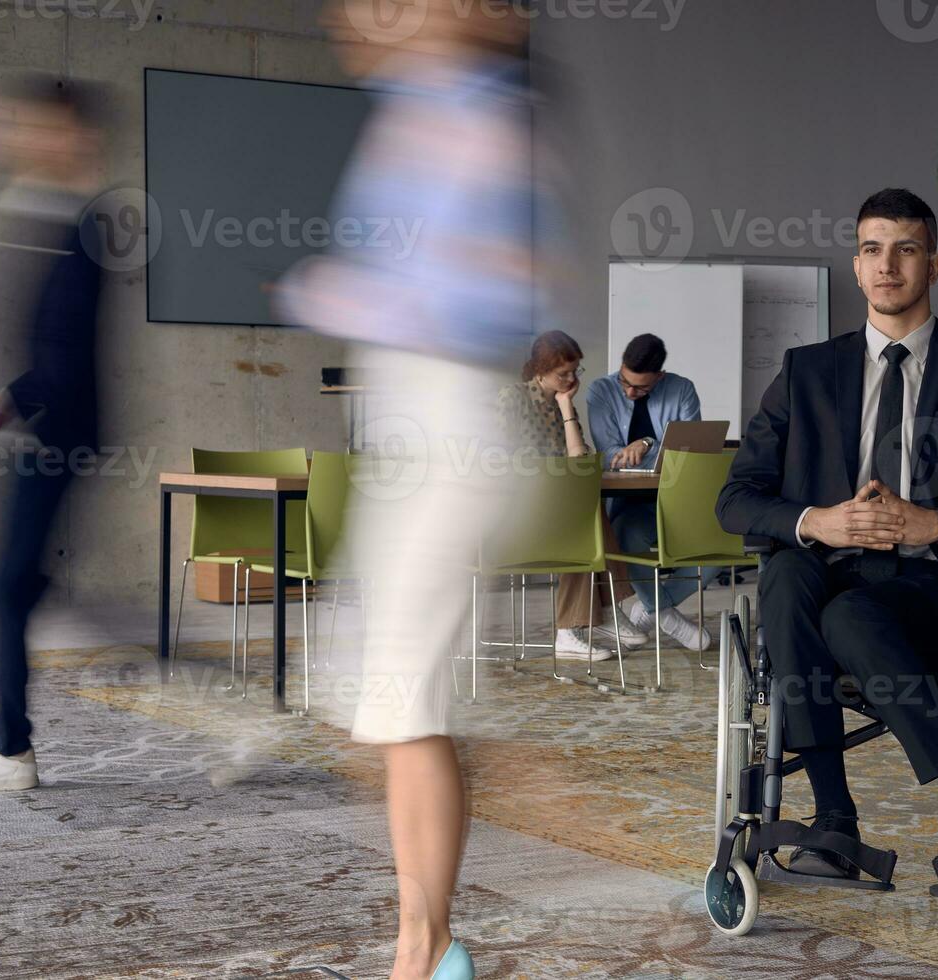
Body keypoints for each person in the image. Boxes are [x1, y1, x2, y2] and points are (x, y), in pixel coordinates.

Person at [277, 2, 537, 976]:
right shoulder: (417, 107)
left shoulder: (479, 117)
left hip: (450, 432)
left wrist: (341, 293)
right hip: (407, 431)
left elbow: (500, 298)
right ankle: (425, 941)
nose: (351, 15)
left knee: (404, 695)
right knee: (395, 704)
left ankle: (421, 952)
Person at [717, 188, 938, 885]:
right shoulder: (806, 371)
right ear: (855, 266)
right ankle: (838, 819)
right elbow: (735, 498)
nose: (888, 265)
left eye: (906, 249)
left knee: (847, 613)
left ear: (932, 265)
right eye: (873, 249)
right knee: (788, 575)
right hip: (828, 576)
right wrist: (815, 520)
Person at [0, 74, 105, 794]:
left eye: (40, 126)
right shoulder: (25, 214)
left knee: (9, 589)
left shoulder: (79, 226)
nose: (21, 137)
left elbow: (65, 355)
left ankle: (10, 746)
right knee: (16, 588)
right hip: (31, 434)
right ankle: (8, 738)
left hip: (54, 434)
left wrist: (5, 400)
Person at [495, 330, 648, 657]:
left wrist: (566, 407)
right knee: (582, 517)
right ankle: (590, 617)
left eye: (574, 372)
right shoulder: (513, 397)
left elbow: (579, 462)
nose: (569, 379)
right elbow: (498, 459)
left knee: (582, 508)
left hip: (555, 509)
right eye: (561, 373)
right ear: (539, 368)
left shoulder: (561, 404)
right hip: (517, 514)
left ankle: (593, 615)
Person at [586, 333, 716, 650]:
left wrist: (646, 442)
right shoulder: (601, 391)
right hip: (630, 505)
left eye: (641, 388)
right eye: (625, 382)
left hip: (677, 501)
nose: (630, 392)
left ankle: (652, 608)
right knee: (626, 538)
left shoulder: (681, 389)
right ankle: (667, 616)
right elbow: (610, 455)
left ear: (660, 377)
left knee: (719, 543)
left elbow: (691, 452)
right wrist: (654, 449)